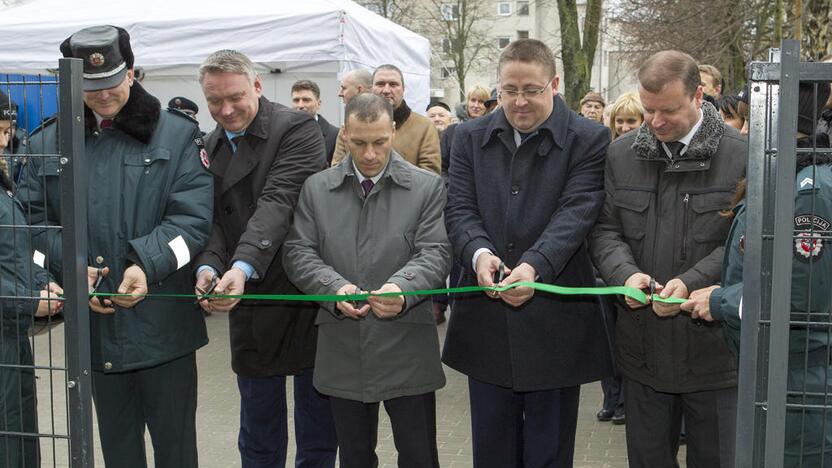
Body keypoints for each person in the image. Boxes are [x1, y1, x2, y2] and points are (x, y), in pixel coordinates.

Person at [18, 25, 214, 468]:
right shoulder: (47, 142)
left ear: (131, 74)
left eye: (111, 83)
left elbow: (194, 221)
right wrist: (71, 264)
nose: (103, 95)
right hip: (95, 335)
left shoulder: (178, 135)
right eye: (90, 86)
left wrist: (145, 263)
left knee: (176, 450)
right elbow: (27, 225)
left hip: (165, 327)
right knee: (118, 450)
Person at [443, 39, 613, 467]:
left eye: (532, 90)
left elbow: (577, 213)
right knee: (492, 450)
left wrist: (535, 265)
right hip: (486, 324)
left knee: (549, 452)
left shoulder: (589, 139)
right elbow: (459, 207)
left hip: (555, 325)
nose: (519, 101)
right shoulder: (466, 137)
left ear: (553, 84)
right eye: (509, 90)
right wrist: (479, 254)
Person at [589, 50, 746, 468]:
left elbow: (744, 244)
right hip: (643, 356)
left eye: (668, 111)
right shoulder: (621, 155)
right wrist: (626, 274)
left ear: (699, 96)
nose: (656, 122)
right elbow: (605, 230)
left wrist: (692, 281)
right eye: (648, 110)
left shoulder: (741, 156)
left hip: (714, 357)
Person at [282, 93, 450, 468]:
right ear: (344, 134)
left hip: (407, 344)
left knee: (420, 455)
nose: (370, 154)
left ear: (393, 130)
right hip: (343, 345)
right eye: (359, 143)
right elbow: (298, 252)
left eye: (379, 142)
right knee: (355, 456)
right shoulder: (317, 189)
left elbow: (436, 252)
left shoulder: (426, 187)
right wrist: (332, 288)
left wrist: (403, 288)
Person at [194, 50, 337, 468]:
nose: (226, 109)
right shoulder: (210, 144)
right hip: (250, 300)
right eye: (214, 102)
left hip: (303, 292)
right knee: (257, 425)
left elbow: (280, 201)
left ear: (257, 85)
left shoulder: (297, 129)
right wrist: (208, 267)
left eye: (235, 97)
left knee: (317, 424)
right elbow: (213, 219)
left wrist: (238, 267)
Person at [682, 81, 832, 467]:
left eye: (750, 122)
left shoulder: (806, 191)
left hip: (802, 387)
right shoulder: (788, 178)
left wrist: (720, 300)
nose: (743, 133)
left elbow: (798, 297)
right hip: (788, 378)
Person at [0, 90, 63, 468]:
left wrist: (43, 280)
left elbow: (17, 248)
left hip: (11, 333)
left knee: (19, 428)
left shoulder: (3, 185)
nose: (4, 141)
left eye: (7, 131)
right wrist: (27, 300)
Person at [594, 90, 646, 427]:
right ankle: (610, 397)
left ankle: (627, 399)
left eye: (632, 121)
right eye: (621, 121)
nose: (625, 127)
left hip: (636, 263)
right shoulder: (603, 157)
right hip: (603, 265)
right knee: (606, 339)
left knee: (631, 337)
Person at [331, 64, 441, 175]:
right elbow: (337, 173)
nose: (386, 90)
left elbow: (429, 177)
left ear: (403, 89)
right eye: (380, 84)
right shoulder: (349, 127)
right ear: (371, 88)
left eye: (393, 84)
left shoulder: (424, 127)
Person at [292, 79, 338, 164]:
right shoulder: (283, 132)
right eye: (296, 100)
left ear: (318, 103)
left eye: (306, 100)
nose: (300, 105)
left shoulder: (334, 135)